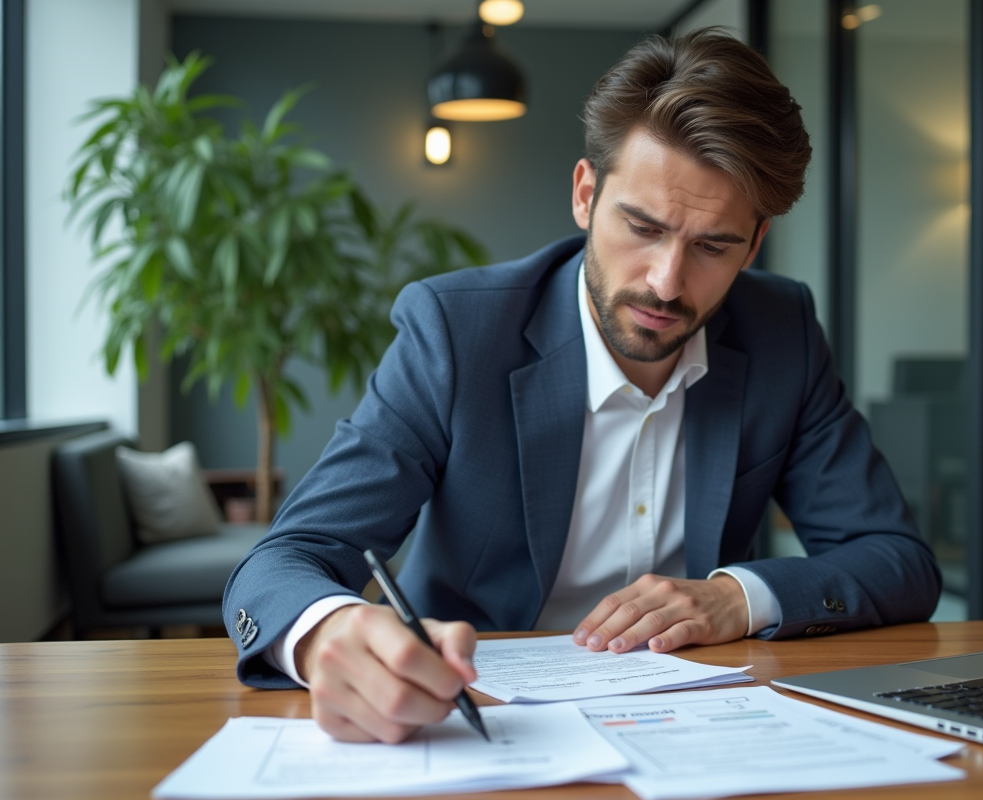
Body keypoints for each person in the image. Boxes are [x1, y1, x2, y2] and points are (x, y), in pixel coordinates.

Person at [224, 28, 940, 745]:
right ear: (585, 194)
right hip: (477, 720)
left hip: (698, 722)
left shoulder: (781, 331)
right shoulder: (457, 332)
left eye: (713, 246)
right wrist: (329, 634)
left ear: (754, 245)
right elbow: (285, 560)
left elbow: (898, 559)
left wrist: (737, 597)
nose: (666, 281)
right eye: (642, 226)